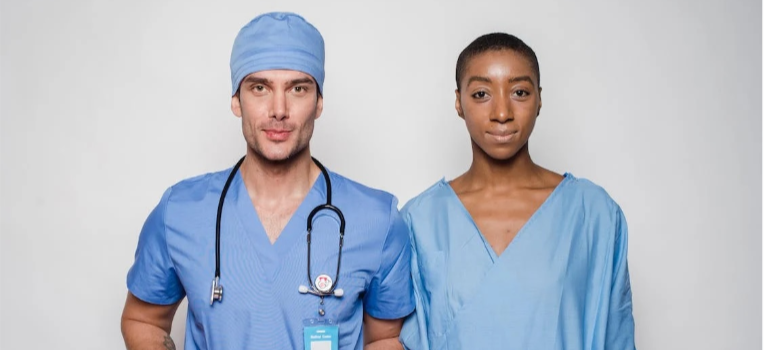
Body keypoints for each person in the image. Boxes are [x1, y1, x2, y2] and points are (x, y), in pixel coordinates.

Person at [120, 12, 414, 350]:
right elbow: (142, 319)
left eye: (298, 89)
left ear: (318, 103)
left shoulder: (377, 219)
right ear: (236, 100)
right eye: (259, 88)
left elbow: (385, 339)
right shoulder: (180, 212)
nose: (279, 109)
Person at [398, 32, 636, 349]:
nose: (501, 113)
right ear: (458, 102)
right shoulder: (419, 220)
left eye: (519, 92)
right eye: (481, 93)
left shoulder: (593, 213)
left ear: (539, 99)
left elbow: (615, 335)